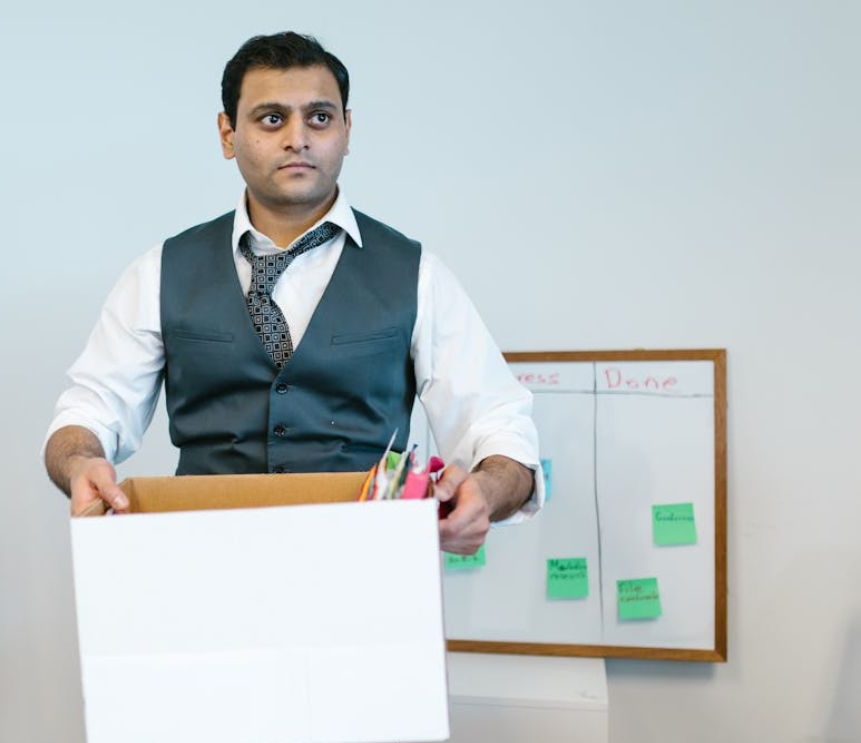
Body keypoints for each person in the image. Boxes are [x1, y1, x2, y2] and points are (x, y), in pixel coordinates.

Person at [44, 31, 543, 553]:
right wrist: (81, 462)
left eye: (320, 117)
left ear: (347, 130)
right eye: (272, 118)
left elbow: (498, 424)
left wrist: (483, 492)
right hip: (199, 569)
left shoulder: (417, 273)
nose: (298, 138)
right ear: (227, 133)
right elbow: (88, 411)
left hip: (369, 572)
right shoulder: (160, 272)